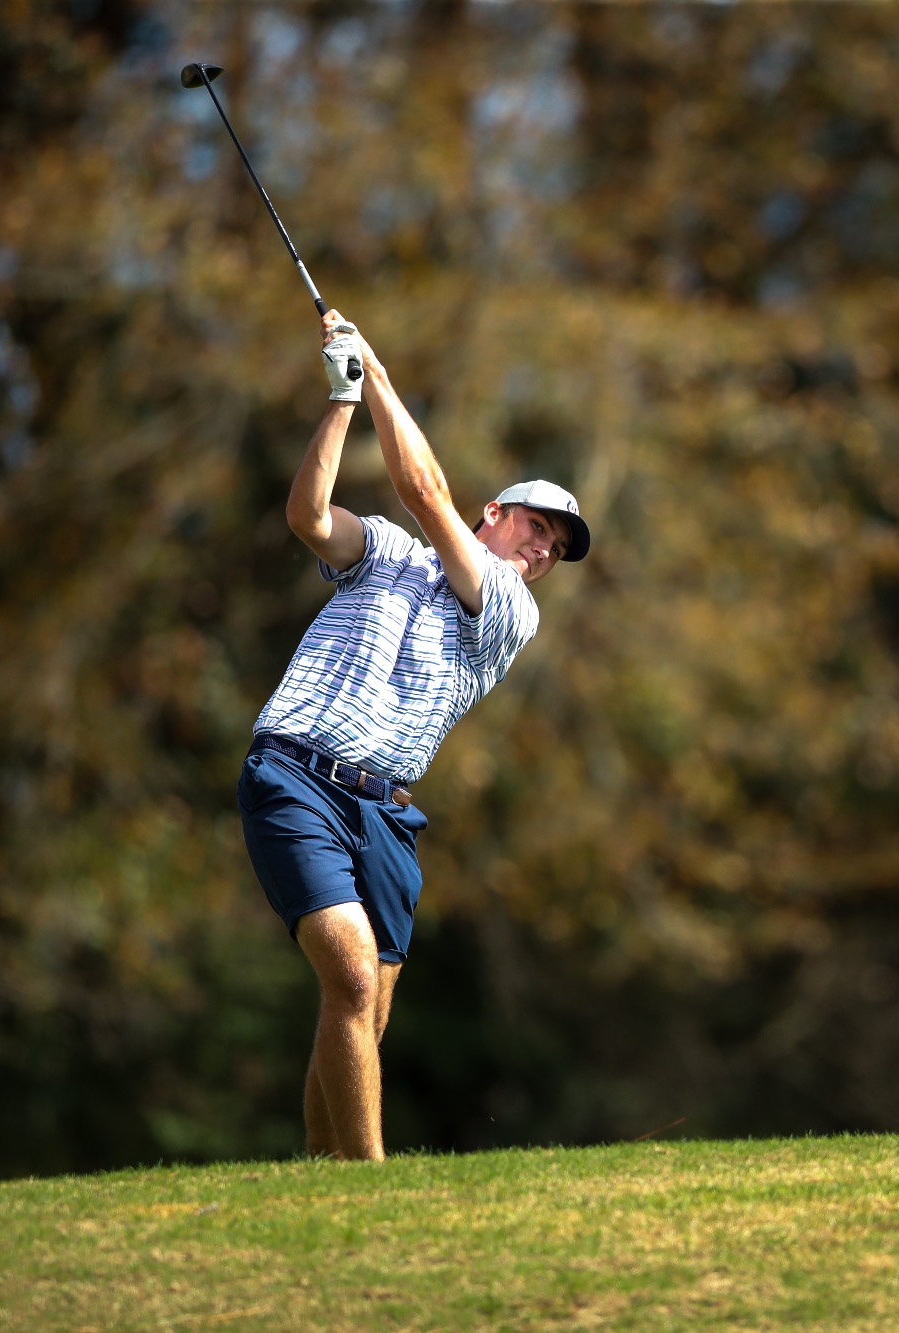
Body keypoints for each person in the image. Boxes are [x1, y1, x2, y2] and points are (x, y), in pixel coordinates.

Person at [237, 308, 591, 1160]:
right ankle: (370, 1191)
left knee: (363, 1011)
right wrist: (342, 397)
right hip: (293, 774)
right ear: (497, 513)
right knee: (352, 982)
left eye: (556, 547)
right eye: (537, 528)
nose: (542, 551)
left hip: (388, 813)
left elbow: (424, 488)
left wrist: (379, 370)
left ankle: (321, 1181)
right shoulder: (389, 551)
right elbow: (309, 516)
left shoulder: (512, 611)